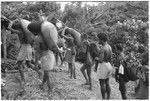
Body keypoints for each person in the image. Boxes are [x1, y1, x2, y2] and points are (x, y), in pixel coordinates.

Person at [8, 19, 39, 84]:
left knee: (19, 64)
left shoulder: (20, 31)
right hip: (28, 47)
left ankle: (23, 80)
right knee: (29, 64)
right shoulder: (23, 31)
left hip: (25, 47)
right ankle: (40, 72)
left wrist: (9, 24)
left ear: (18, 27)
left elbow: (10, 29)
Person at [94, 32, 113, 99]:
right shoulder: (109, 47)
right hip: (109, 65)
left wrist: (96, 58)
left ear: (102, 40)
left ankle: (103, 98)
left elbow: (101, 60)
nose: (98, 41)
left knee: (102, 83)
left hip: (103, 66)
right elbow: (110, 57)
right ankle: (108, 98)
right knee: (107, 82)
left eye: (99, 39)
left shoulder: (103, 48)